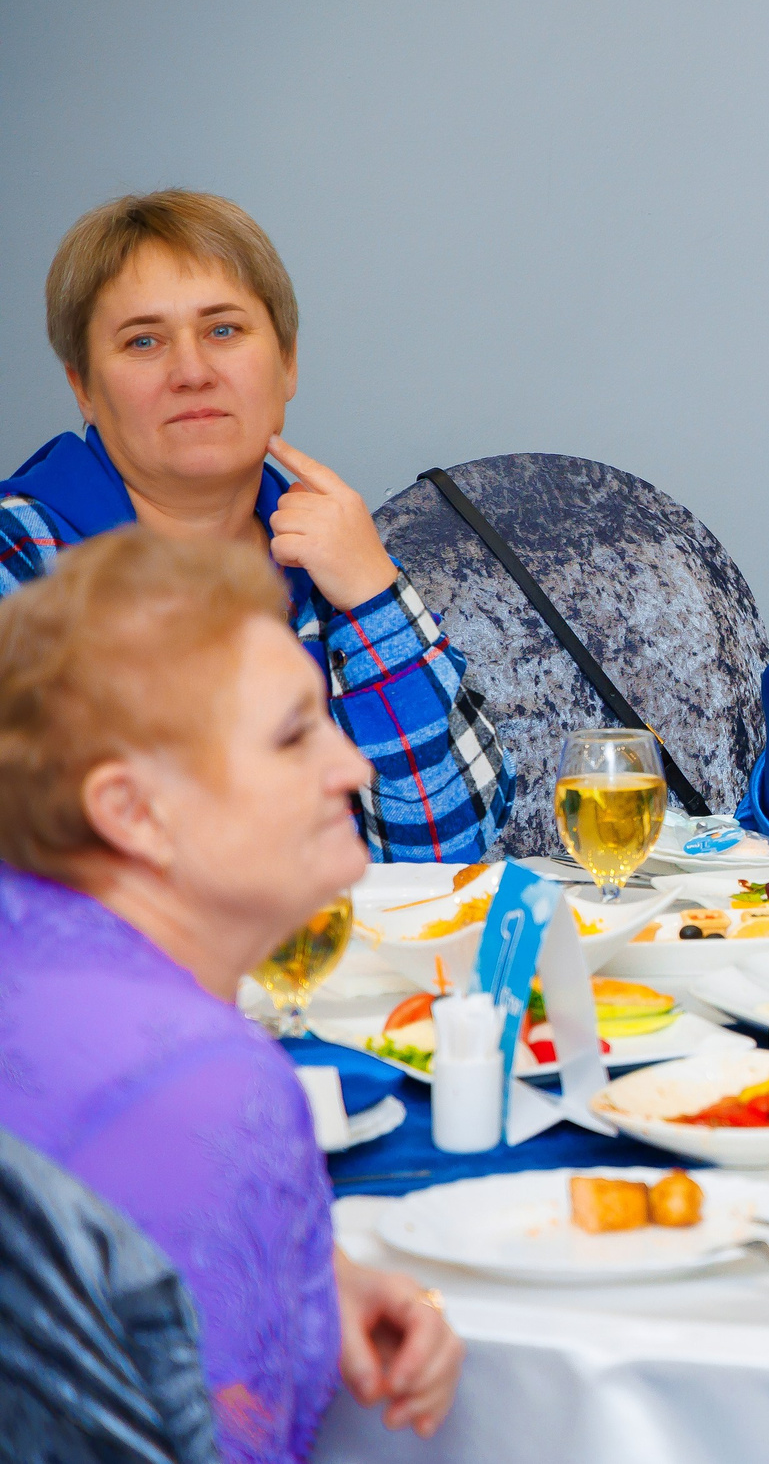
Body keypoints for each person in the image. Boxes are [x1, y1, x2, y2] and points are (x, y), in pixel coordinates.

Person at [0, 528, 463, 1462]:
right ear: (132, 810)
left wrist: (312, 1272)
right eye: (294, 735)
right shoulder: (209, 1081)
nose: (355, 768)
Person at [0, 191, 512, 860]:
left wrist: (375, 598)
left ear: (287, 363)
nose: (192, 372)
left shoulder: (331, 554)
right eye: (144, 341)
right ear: (84, 388)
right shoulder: (23, 560)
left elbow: (447, 850)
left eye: (223, 330)